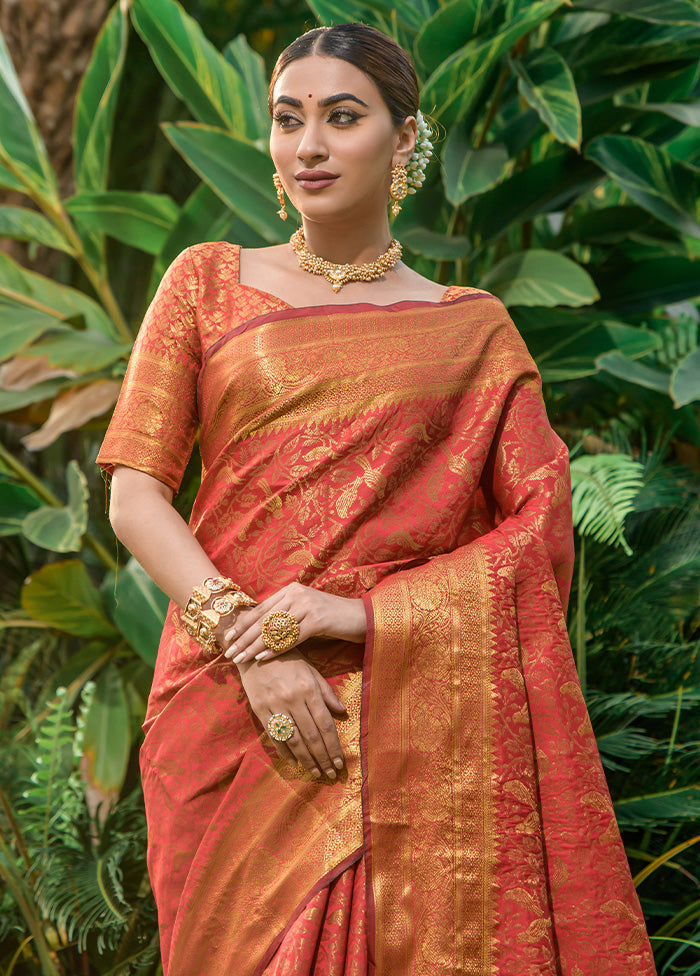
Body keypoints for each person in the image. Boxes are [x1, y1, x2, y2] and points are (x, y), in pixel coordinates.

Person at [97, 22, 657, 976]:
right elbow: (136, 495)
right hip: (228, 707)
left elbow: (540, 531)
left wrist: (362, 616)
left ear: (404, 140)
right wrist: (256, 648)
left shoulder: (472, 329)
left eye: (341, 117)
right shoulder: (206, 284)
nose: (307, 145)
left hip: (402, 709)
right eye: (288, 120)